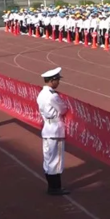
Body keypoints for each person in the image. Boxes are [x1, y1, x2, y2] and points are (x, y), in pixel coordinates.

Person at [37, 67, 70, 196]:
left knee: (48, 158)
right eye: (57, 80)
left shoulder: (41, 94)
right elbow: (63, 109)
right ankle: (55, 187)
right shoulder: (52, 96)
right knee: (56, 160)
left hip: (47, 128)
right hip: (56, 129)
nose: (58, 83)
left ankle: (52, 186)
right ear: (52, 80)